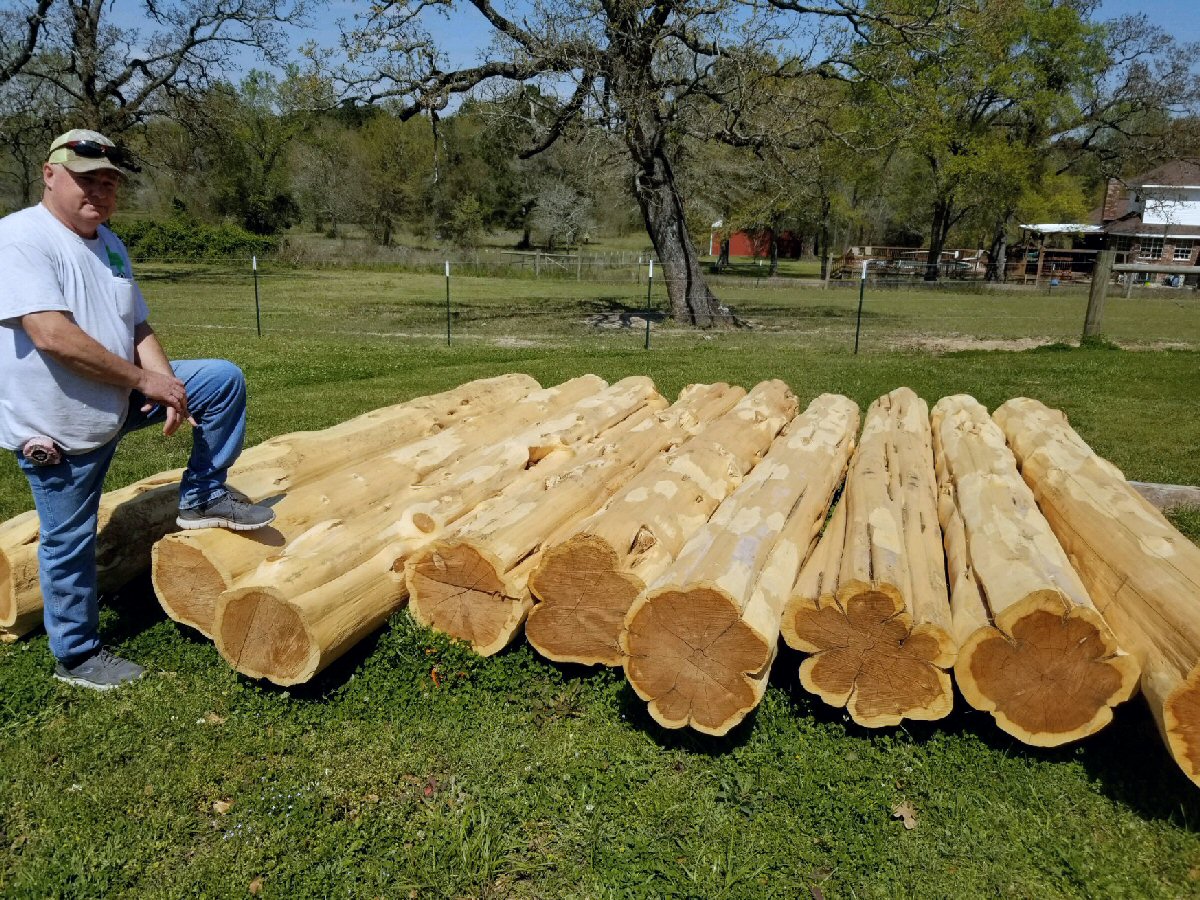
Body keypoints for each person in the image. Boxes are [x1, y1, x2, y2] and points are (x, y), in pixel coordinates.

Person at [0, 129, 275, 691]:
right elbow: (51, 334)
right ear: (49, 175)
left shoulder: (109, 244)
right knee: (69, 540)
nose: (99, 191)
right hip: (60, 426)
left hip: (116, 397)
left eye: (108, 182)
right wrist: (143, 380)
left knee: (219, 381)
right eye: (85, 179)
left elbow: (137, 326)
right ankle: (76, 656)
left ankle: (202, 496)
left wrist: (168, 385)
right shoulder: (19, 238)